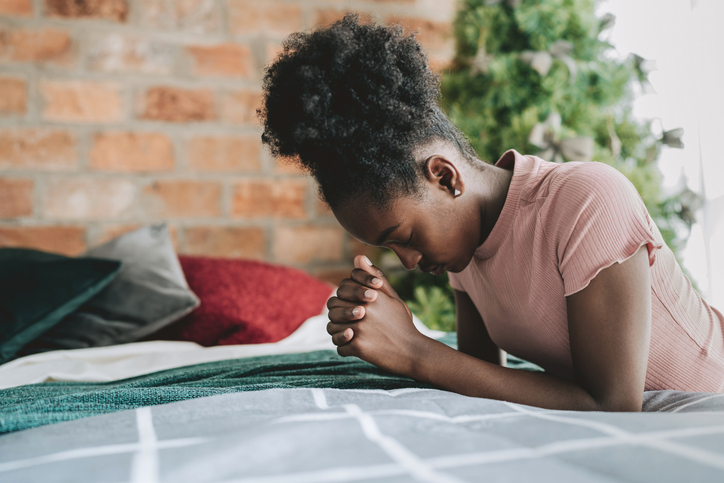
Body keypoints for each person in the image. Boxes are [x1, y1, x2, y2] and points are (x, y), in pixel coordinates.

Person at [259, 15, 724, 411]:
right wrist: (379, 325)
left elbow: (613, 405)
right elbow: (477, 379)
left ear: (445, 177)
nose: (408, 262)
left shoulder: (587, 199)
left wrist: (415, 350)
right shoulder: (465, 248)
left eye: (403, 236)